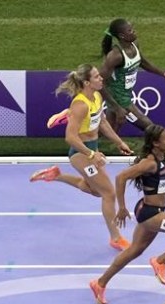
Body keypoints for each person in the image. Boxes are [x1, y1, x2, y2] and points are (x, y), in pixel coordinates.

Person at [88, 124, 165, 304]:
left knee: (134, 250)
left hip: (154, 211)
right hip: (150, 214)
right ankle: (160, 261)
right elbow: (121, 177)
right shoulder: (149, 163)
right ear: (155, 144)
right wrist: (121, 207)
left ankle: (100, 283)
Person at [30, 63, 135, 252]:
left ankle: (56, 175)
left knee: (96, 191)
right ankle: (116, 238)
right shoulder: (79, 104)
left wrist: (119, 142)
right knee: (108, 193)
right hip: (80, 152)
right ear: (87, 82)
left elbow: (102, 122)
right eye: (96, 77)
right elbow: (70, 137)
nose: (101, 78)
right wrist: (92, 154)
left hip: (91, 147)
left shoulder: (96, 95)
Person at [47, 18, 165, 133]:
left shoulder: (134, 44)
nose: (134, 31)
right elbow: (100, 82)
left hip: (125, 95)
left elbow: (142, 62)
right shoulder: (115, 56)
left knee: (104, 132)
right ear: (122, 36)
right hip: (119, 99)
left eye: (132, 28)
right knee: (152, 130)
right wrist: (117, 107)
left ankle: (71, 116)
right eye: (130, 30)